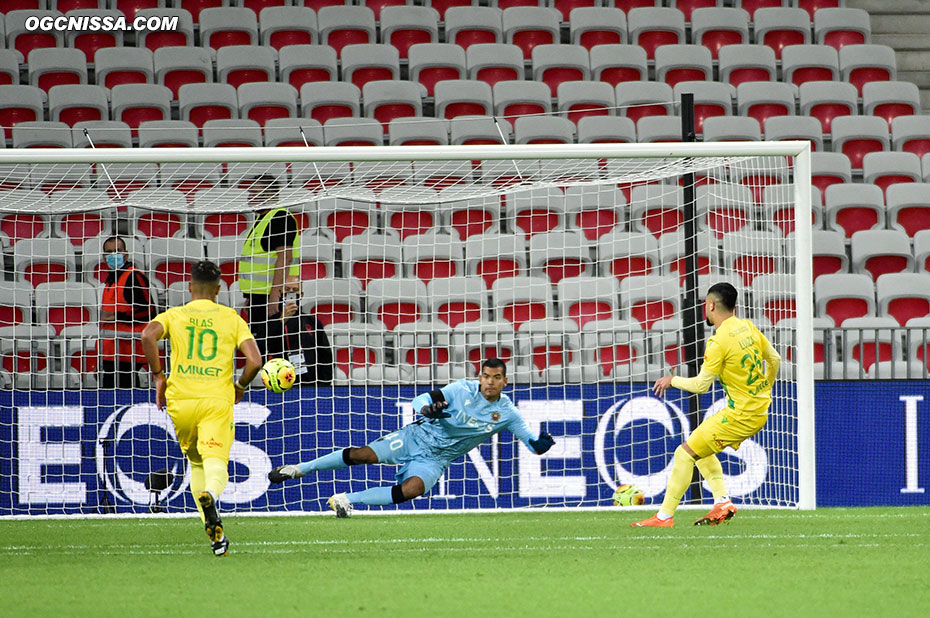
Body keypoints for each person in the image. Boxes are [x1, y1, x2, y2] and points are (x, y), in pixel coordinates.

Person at [268, 358, 556, 516]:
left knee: (413, 489)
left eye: (496, 377)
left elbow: (531, 442)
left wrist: (540, 446)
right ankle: (298, 469)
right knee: (362, 454)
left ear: (505, 381)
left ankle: (345, 499)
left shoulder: (508, 413)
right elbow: (421, 399)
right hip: (417, 435)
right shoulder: (462, 389)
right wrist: (428, 409)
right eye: (486, 376)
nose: (489, 382)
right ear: (479, 377)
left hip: (437, 458)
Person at [632, 282, 781, 528]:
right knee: (699, 449)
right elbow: (774, 359)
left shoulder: (718, 341)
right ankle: (722, 501)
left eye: (705, 305)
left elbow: (702, 385)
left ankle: (664, 517)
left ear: (711, 305)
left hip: (741, 415)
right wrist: (767, 386)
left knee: (684, 453)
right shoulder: (748, 327)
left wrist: (673, 380)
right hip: (756, 410)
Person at [141, 260, 262, 556]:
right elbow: (255, 361)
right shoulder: (231, 318)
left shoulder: (175, 314)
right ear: (219, 290)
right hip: (216, 401)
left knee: (196, 462)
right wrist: (241, 385)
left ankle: (215, 536)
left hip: (180, 402)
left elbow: (147, 335)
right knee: (215, 462)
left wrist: (159, 377)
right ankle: (213, 495)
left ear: (190, 287)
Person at [99, 235, 154, 388]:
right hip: (111, 351)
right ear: (104, 257)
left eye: (117, 251)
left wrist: (117, 317)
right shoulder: (111, 280)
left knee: (125, 396)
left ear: (126, 254)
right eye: (109, 252)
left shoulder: (134, 276)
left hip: (127, 352)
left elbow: (149, 311)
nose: (113, 255)